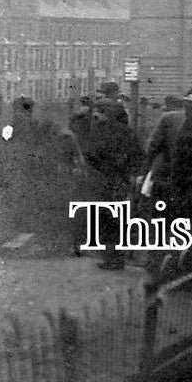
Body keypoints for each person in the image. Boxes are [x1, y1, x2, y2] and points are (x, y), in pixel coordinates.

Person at [69, 101, 142, 269]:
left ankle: (110, 259)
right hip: (122, 182)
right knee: (119, 220)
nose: (96, 116)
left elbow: (92, 154)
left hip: (105, 181)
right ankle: (118, 258)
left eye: (99, 112)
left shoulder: (103, 132)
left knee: (106, 220)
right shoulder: (127, 132)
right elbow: (138, 155)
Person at [141, 91, 192, 223]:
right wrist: (144, 172)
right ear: (187, 106)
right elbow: (153, 147)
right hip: (169, 179)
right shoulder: (170, 120)